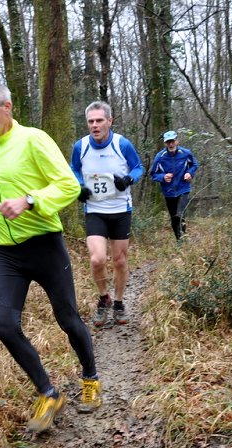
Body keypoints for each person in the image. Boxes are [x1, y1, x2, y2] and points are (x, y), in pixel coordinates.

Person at [0, 84, 102, 433]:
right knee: (4, 326)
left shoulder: (33, 139)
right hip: (7, 253)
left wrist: (28, 201)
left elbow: (68, 185)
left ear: (7, 107)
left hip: (45, 246)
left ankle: (90, 378)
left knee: (67, 319)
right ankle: (48, 393)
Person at [70, 101, 144, 327]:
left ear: (109, 121)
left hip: (121, 209)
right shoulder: (81, 146)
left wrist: (129, 179)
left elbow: (138, 167)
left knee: (120, 261)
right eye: (91, 121)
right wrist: (79, 186)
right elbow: (74, 169)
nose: (95, 125)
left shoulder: (122, 144)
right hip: (95, 210)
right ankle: (104, 298)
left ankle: (119, 302)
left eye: (99, 120)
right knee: (97, 259)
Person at [150, 130, 198, 241]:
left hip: (183, 188)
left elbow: (194, 164)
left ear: (177, 141)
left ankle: (183, 235)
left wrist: (189, 173)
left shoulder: (186, 153)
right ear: (165, 143)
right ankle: (179, 239)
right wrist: (163, 177)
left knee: (180, 213)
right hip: (169, 191)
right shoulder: (160, 157)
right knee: (174, 217)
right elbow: (153, 174)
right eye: (168, 142)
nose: (171, 144)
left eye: (172, 141)